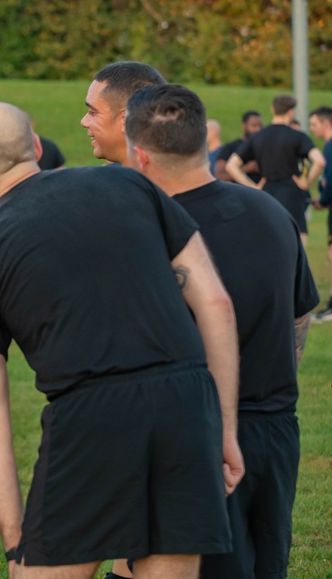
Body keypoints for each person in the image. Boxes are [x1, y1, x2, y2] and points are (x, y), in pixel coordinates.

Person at [0, 101, 242, 579]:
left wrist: (15, 543)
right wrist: (224, 430)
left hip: (90, 416)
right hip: (186, 403)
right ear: (36, 148)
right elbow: (216, 304)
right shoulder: (129, 183)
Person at [126, 84, 318, 579]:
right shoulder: (272, 214)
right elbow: (301, 314)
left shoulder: (152, 229)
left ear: (140, 156)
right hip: (277, 430)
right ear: (200, 141)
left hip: (200, 434)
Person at [227, 95, 326, 245]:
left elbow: (231, 165)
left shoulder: (258, 137)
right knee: (297, 242)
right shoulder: (297, 136)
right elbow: (319, 161)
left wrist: (253, 187)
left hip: (266, 194)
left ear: (273, 110)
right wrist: (306, 182)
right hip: (291, 195)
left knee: (268, 242)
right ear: (291, 112)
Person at [80, 61, 165, 164]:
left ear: (126, 120)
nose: (84, 122)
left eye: (93, 112)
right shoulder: (178, 174)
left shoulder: (99, 180)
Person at [309, 106, 332, 322]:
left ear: (326, 123)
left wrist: (323, 200)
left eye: (314, 124)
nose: (311, 129)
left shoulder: (330, 145)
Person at [215, 110, 263, 183]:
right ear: (244, 125)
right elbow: (219, 175)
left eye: (260, 126)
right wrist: (244, 169)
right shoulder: (230, 147)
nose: (258, 129)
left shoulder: (264, 147)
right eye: (254, 126)